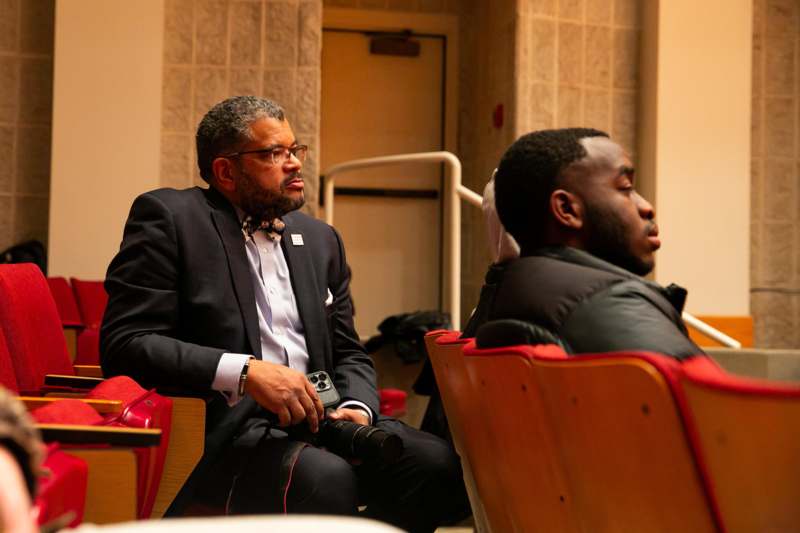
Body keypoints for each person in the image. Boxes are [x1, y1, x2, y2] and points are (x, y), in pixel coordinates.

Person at [100, 96, 468, 531]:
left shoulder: (320, 239)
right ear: (225, 171)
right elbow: (127, 342)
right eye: (274, 153)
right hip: (230, 428)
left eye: (295, 150)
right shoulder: (172, 219)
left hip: (322, 415)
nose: (294, 164)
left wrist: (356, 407)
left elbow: (349, 351)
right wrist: (246, 372)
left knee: (438, 465)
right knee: (325, 479)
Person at [470, 127, 703, 358]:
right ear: (566, 209)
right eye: (626, 188)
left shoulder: (512, 295)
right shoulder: (615, 306)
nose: (646, 207)